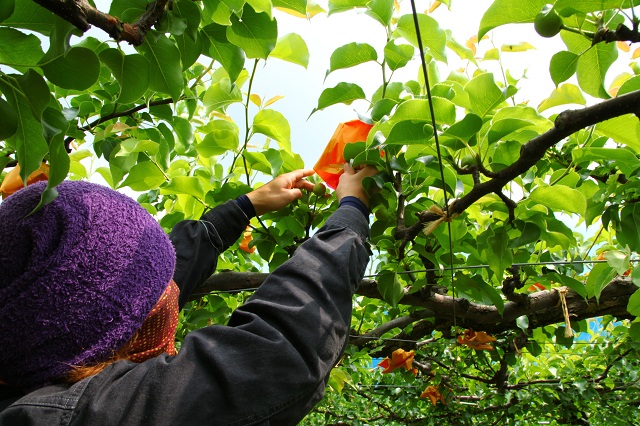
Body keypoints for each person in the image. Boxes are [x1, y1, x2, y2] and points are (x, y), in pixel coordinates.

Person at [0, 164, 377, 425]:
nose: (169, 292)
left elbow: (153, 272)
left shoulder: (51, 345)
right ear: (107, 329)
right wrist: (351, 214)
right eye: (154, 294)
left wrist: (248, 204)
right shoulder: (60, 418)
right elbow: (278, 354)